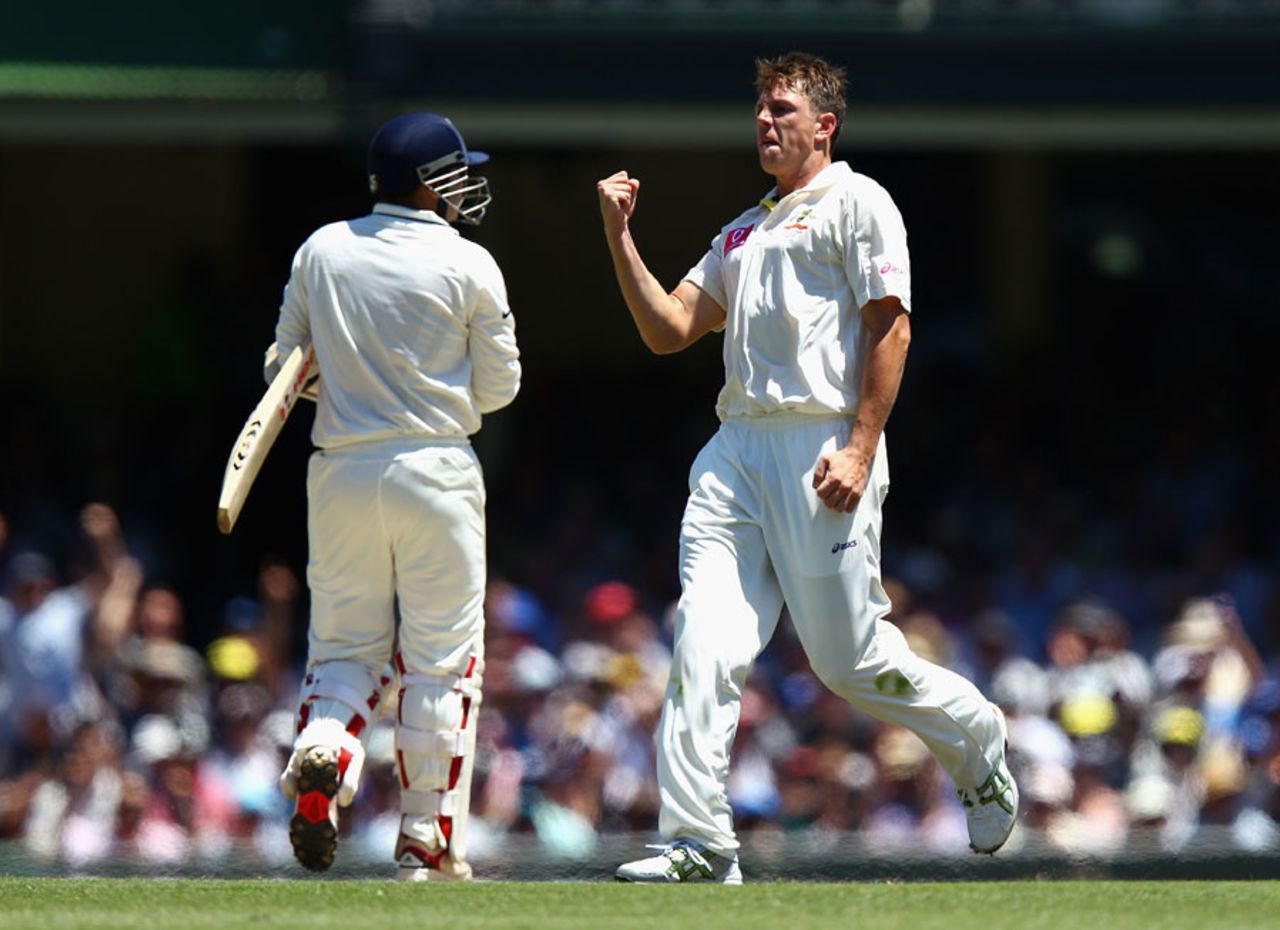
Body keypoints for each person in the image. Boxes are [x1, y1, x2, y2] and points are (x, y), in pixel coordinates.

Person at [596, 52, 1017, 883]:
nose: (764, 122)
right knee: (704, 640)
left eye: (781, 110)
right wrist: (619, 236)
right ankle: (700, 842)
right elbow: (668, 329)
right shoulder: (742, 230)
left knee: (845, 661)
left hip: (822, 446)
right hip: (734, 452)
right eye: (760, 109)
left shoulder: (860, 203)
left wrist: (859, 447)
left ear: (825, 125)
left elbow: (891, 325)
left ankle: (978, 743)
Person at [268, 112, 520, 881]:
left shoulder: (321, 249)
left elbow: (283, 371)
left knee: (345, 649)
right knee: (441, 663)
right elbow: (500, 388)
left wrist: (348, 380)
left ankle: (328, 747)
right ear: (432, 181)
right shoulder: (470, 261)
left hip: (340, 470)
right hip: (437, 467)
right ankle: (424, 842)